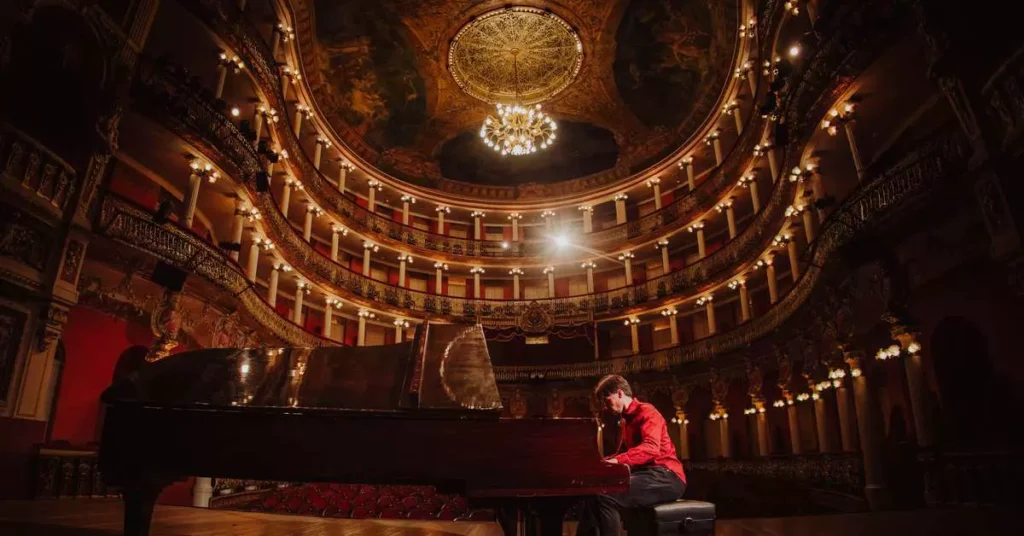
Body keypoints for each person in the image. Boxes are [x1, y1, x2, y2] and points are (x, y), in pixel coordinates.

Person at [576, 374, 686, 536]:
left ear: (620, 393)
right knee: (593, 493)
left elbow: (650, 448)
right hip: (648, 476)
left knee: (606, 495)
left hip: (667, 477)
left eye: (607, 400)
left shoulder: (648, 412)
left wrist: (615, 461)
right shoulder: (626, 421)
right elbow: (622, 454)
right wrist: (599, 463)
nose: (606, 407)